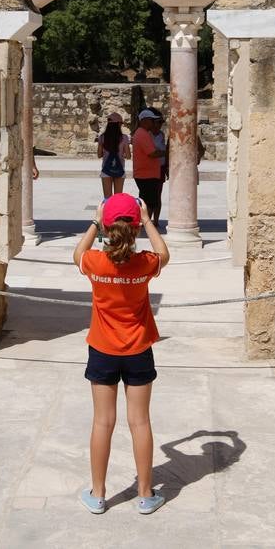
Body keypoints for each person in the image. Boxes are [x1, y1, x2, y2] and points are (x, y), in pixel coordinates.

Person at [73, 193, 170, 515]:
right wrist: (147, 220)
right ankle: (145, 495)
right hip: (139, 348)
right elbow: (164, 253)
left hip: (102, 349)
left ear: (106, 226)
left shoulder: (95, 263)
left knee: (103, 422)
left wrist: (94, 221)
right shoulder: (145, 263)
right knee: (139, 421)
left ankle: (98, 494)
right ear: (135, 229)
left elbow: (78, 253)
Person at [131, 109, 164, 222]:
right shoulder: (142, 134)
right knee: (149, 203)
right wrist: (166, 152)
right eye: (152, 120)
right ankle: (146, 224)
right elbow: (152, 153)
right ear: (144, 121)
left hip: (146, 173)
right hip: (146, 174)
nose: (154, 123)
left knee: (146, 201)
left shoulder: (142, 133)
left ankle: (144, 223)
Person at [97, 112, 131, 198]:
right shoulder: (124, 138)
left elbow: (99, 155)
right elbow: (128, 156)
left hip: (106, 170)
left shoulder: (102, 137)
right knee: (118, 198)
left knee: (107, 198)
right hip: (119, 169)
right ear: (118, 124)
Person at [146, 107, 166, 228]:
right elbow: (152, 152)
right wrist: (162, 153)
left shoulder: (161, 135)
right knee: (148, 195)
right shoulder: (146, 134)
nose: (160, 125)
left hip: (160, 167)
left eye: (161, 123)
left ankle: (156, 220)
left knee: (158, 195)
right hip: (148, 168)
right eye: (158, 122)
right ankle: (147, 219)